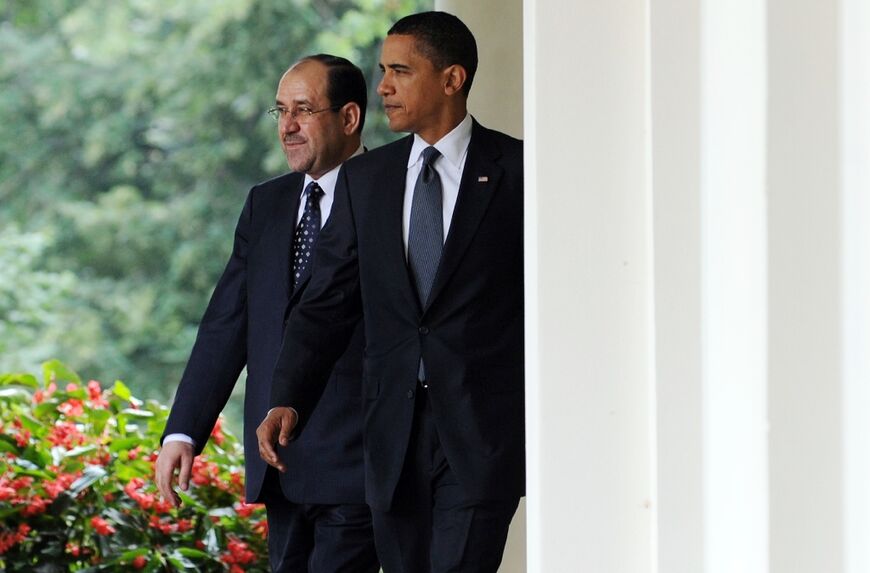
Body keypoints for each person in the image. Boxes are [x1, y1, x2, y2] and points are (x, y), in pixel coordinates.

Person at [257, 12, 524, 573]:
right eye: (383, 70)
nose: (382, 87)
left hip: (480, 437)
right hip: (391, 439)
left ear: (452, 80)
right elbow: (326, 302)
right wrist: (288, 395)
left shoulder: (519, 171)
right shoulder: (366, 179)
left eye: (400, 71)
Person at [155, 54, 379, 573]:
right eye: (279, 111)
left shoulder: (390, 195)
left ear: (349, 118)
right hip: (278, 464)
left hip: (358, 462)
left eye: (303, 110)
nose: (288, 126)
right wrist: (183, 432)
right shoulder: (267, 204)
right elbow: (226, 325)